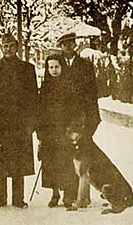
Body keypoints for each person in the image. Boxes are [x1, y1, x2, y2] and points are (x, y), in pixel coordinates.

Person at [0, 32, 39, 208]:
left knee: (18, 160)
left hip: (19, 123)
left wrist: (31, 123)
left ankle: (18, 199)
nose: (8, 49)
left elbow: (33, 98)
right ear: (1, 48)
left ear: (16, 47)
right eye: (5, 46)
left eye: (11, 46)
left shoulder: (27, 68)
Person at [55, 32, 101, 208]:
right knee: (66, 158)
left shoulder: (85, 65)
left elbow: (92, 92)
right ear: (60, 46)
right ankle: (69, 194)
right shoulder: (56, 64)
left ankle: (84, 196)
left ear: (75, 44)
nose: (67, 46)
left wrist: (91, 119)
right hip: (63, 118)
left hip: (82, 117)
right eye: (64, 43)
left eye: (70, 43)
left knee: (83, 156)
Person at [37, 54, 80, 208]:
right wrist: (40, 133)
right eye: (51, 67)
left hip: (65, 131)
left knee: (66, 162)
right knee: (51, 163)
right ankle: (55, 194)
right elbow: (40, 111)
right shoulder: (45, 87)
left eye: (57, 67)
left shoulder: (69, 86)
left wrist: (73, 128)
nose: (54, 70)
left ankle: (68, 195)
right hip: (49, 132)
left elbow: (76, 109)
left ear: (62, 67)